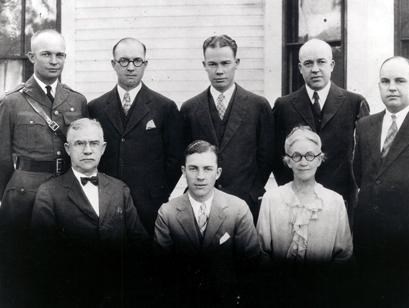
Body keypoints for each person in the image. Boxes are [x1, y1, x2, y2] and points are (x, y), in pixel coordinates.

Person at [0, 29, 88, 307]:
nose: (54, 60)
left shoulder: (77, 100)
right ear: (30, 57)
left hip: (67, 188)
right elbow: (2, 157)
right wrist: (6, 196)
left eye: (59, 54)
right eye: (46, 54)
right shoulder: (12, 101)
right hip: (26, 191)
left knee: (66, 265)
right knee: (23, 265)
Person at [31, 118, 149, 307]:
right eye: (79, 143)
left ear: (102, 148)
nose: (87, 150)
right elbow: (43, 255)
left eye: (94, 143)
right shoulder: (49, 192)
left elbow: (139, 243)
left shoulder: (120, 189)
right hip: (71, 296)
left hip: (118, 294)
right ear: (68, 149)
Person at [353, 56, 409, 306]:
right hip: (370, 241)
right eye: (385, 81)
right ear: (379, 86)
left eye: (400, 81)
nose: (392, 87)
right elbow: (360, 173)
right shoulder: (365, 126)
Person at [88, 37, 183, 235]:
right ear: (113, 64)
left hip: (149, 205)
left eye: (137, 61)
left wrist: (158, 194)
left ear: (145, 64)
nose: (131, 67)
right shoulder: (96, 107)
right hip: (106, 202)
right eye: (123, 61)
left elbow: (175, 158)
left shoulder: (164, 107)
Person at [154, 140, 262, 307]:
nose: (200, 176)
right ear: (183, 171)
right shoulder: (167, 213)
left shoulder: (237, 208)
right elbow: (163, 270)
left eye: (207, 169)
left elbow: (251, 263)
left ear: (218, 172)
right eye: (193, 168)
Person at [273, 39, 369, 220]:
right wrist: (292, 189)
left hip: (341, 199)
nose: (315, 69)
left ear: (331, 65)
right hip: (295, 199)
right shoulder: (283, 106)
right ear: (300, 68)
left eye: (321, 62)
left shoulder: (354, 103)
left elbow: (365, 155)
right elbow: (276, 156)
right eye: (308, 63)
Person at [181, 34, 274, 223]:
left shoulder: (258, 106)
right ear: (204, 65)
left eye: (225, 63)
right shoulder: (190, 108)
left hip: (246, 203)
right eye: (213, 64)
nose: (219, 71)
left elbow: (267, 156)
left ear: (236, 62)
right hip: (200, 204)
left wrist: (252, 191)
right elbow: (182, 155)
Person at [257, 126, 352, 307]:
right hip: (280, 294)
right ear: (288, 161)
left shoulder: (334, 201)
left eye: (310, 155)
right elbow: (262, 252)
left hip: (323, 294)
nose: (303, 162)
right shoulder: (272, 199)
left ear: (319, 160)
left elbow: (344, 255)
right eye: (296, 156)